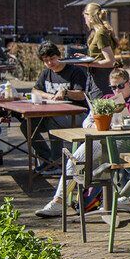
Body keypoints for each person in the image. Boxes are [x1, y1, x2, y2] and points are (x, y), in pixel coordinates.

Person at [35, 68, 130, 218]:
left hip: (129, 146)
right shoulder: (106, 99)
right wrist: (96, 125)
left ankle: (124, 198)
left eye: (120, 86)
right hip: (103, 143)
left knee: (117, 165)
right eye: (113, 87)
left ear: (129, 83)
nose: (117, 91)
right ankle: (58, 201)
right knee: (74, 161)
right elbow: (86, 122)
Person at [27, 41, 88, 174]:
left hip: (77, 116)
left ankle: (56, 162)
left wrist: (65, 92)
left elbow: (82, 95)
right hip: (53, 113)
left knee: (50, 121)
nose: (50, 63)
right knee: (27, 125)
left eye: (52, 59)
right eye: (46, 60)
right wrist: (49, 96)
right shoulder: (46, 73)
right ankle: (48, 160)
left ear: (59, 56)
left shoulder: (74, 71)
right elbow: (35, 90)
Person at [73, 3, 119, 99]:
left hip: (102, 80)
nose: (85, 21)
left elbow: (111, 61)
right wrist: (86, 58)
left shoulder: (100, 33)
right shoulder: (101, 31)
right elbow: (100, 56)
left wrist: (88, 64)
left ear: (90, 17)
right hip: (99, 78)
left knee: (99, 112)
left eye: (85, 17)